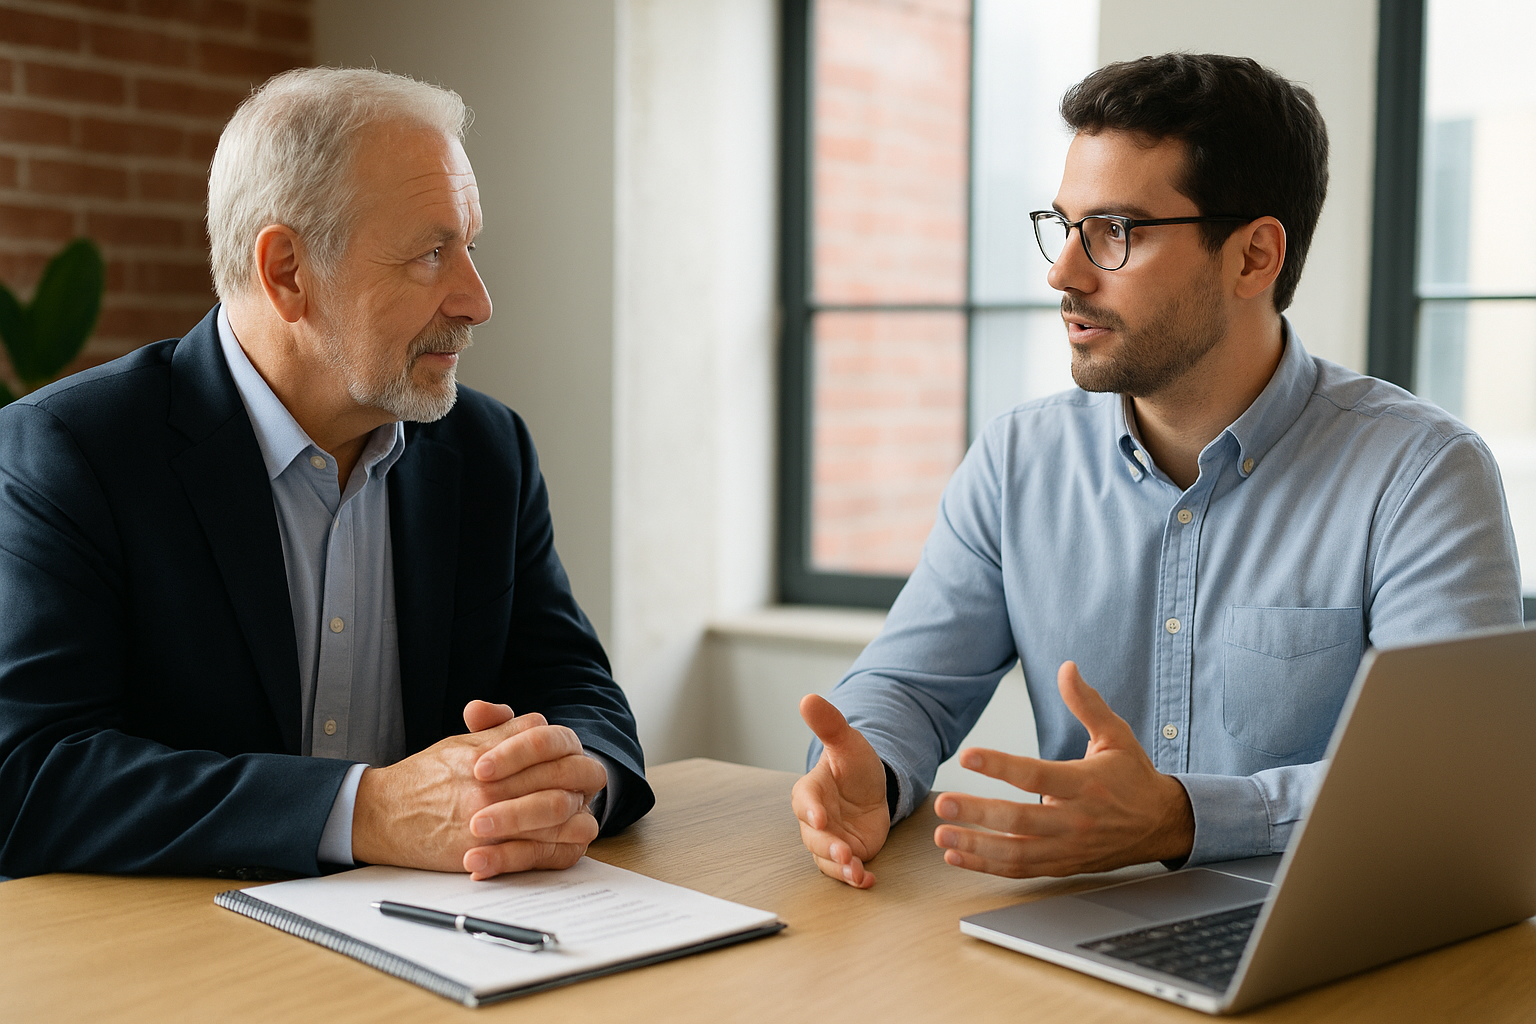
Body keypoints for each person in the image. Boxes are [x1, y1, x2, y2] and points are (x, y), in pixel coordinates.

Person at [792, 53, 1522, 888]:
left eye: (1115, 233)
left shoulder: (1422, 476)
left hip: (1324, 942)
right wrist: (869, 771)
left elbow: (1452, 789)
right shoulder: (1018, 460)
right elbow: (907, 688)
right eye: (1063, 227)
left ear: (1253, 257)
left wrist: (1181, 817)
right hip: (1074, 939)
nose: (1062, 272)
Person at [0, 68, 653, 880]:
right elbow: (29, 775)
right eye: (430, 253)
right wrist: (368, 810)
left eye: (470, 246)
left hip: (448, 951)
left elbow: (580, 692)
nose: (477, 300)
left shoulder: (488, 452)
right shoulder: (70, 449)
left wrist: (561, 785)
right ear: (286, 273)